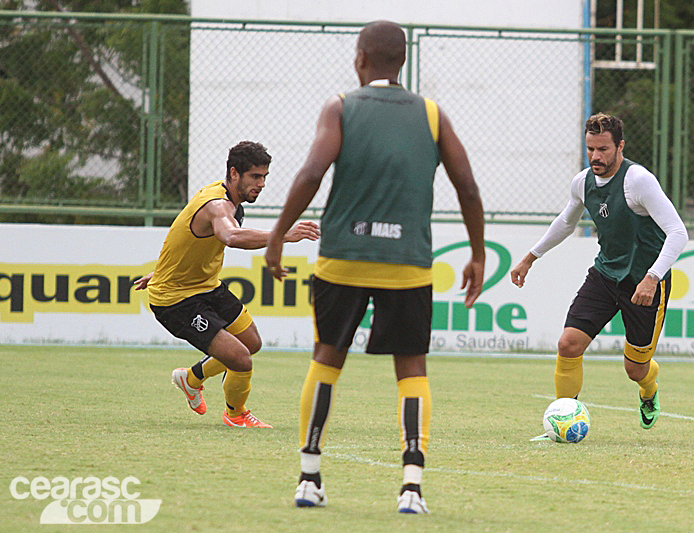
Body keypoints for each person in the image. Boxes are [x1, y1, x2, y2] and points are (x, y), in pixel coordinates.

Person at [264, 20, 485, 514]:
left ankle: (309, 476)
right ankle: (411, 486)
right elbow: (467, 187)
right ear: (401, 60)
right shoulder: (432, 115)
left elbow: (311, 173)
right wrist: (477, 252)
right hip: (407, 263)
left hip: (343, 258)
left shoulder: (340, 106)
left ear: (361, 57)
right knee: (411, 367)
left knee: (326, 356)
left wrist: (278, 234)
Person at [510, 113, 688, 436]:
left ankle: (649, 389)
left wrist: (653, 277)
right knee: (568, 344)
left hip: (644, 282)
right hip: (606, 274)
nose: (596, 156)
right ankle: (562, 421)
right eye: (590, 148)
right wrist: (530, 257)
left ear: (620, 146)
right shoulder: (582, 182)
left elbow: (678, 232)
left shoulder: (638, 181)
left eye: (603, 149)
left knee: (634, 369)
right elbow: (566, 222)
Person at [134, 141, 319, 428]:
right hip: (175, 301)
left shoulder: (229, 201)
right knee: (241, 360)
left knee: (251, 342)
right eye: (255, 177)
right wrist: (284, 234)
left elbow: (181, 237)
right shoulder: (217, 205)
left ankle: (191, 378)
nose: (262, 184)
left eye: (265, 177)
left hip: (207, 287)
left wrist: (160, 270)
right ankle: (236, 415)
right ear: (234, 174)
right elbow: (232, 237)